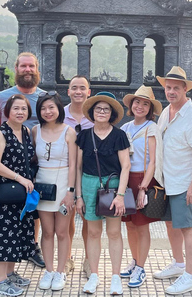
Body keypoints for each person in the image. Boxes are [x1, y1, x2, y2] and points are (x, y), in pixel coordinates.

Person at [151, 66, 192, 296]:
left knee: (186, 227)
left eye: (176, 87)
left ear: (185, 89)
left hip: (184, 181)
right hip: (166, 180)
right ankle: (178, 263)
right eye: (168, 87)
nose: (171, 91)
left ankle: (190, 275)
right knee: (170, 223)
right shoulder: (167, 111)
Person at [0, 52, 46, 268]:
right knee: (5, 208)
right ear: (16, 69)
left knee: (33, 208)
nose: (27, 70)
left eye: (31, 66)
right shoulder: (3, 97)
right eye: (23, 66)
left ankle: (31, 245)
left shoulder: (43, 97)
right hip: (6, 161)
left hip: (32, 161)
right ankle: (0, 253)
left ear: (37, 68)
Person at [75, 92, 131, 295]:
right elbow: (78, 167)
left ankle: (115, 276)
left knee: (114, 232)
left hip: (112, 185)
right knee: (92, 232)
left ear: (112, 113)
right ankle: (94, 275)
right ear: (92, 112)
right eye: (98, 108)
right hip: (88, 184)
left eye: (106, 109)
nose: (101, 112)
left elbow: (126, 166)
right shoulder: (83, 135)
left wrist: (121, 195)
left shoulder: (119, 135)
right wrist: (78, 196)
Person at [0, 94, 39, 297]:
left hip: (22, 191)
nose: (20, 112)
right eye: (16, 108)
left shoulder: (26, 131)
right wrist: (19, 178)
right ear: (7, 111)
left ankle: (10, 273)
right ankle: (0, 280)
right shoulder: (1, 132)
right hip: (6, 190)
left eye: (24, 109)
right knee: (4, 234)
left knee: (16, 233)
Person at [33, 92, 77, 291]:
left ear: (59, 108)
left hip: (63, 187)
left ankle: (60, 271)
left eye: (51, 107)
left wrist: (71, 192)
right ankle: (48, 270)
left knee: (62, 231)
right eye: (43, 108)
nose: (47, 111)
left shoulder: (69, 132)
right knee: (47, 231)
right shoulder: (35, 130)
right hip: (42, 186)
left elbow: (74, 165)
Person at [119, 85, 163, 288]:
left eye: (146, 104)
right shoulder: (125, 128)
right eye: (137, 102)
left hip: (143, 179)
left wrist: (144, 188)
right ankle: (134, 261)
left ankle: (142, 267)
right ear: (131, 104)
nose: (140, 106)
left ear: (150, 109)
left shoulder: (151, 128)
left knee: (142, 225)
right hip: (127, 179)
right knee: (129, 224)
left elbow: (153, 161)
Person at [62, 75, 93, 275]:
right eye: (74, 87)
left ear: (89, 92)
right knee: (66, 218)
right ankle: (66, 257)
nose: (78, 91)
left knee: (89, 218)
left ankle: (90, 259)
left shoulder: (96, 113)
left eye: (82, 88)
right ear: (69, 91)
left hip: (90, 173)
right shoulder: (59, 114)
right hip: (65, 172)